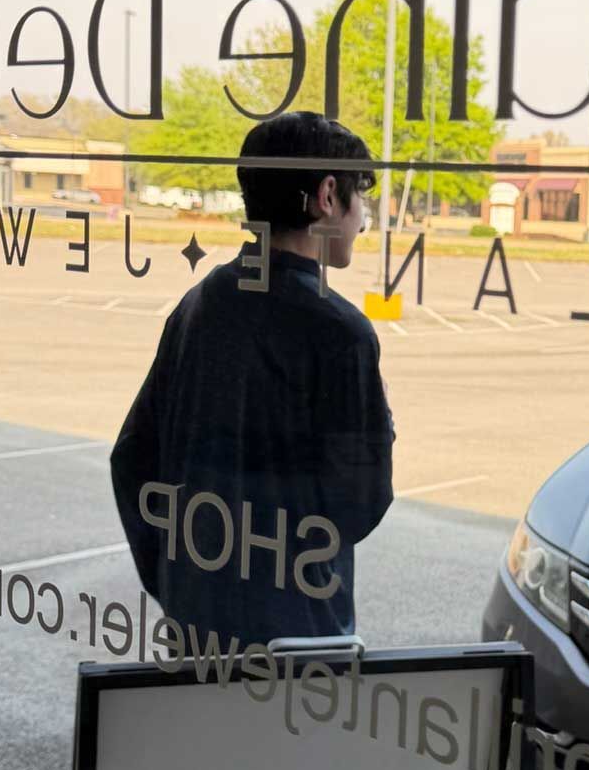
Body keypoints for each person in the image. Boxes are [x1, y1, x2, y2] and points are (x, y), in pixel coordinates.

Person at [111, 111, 394, 648]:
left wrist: (176, 583)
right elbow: (360, 501)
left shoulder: (198, 306)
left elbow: (132, 458)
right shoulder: (340, 332)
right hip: (298, 638)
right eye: (360, 197)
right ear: (327, 196)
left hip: (196, 627)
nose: (363, 220)